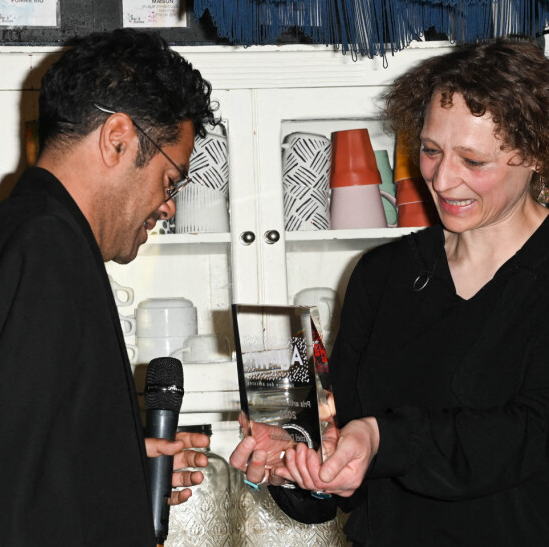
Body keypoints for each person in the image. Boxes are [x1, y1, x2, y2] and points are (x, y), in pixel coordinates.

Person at [230, 36, 549, 546]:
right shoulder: (383, 275)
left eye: (473, 160)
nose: (443, 180)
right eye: (430, 150)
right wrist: (301, 458)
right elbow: (352, 481)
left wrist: (381, 438)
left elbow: (523, 435)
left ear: (534, 153)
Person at [0, 29, 218, 546]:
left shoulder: (1, 235)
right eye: (171, 180)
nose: (168, 205)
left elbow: (17, 455)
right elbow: (17, 508)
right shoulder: (48, 248)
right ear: (118, 139)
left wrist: (118, 470)